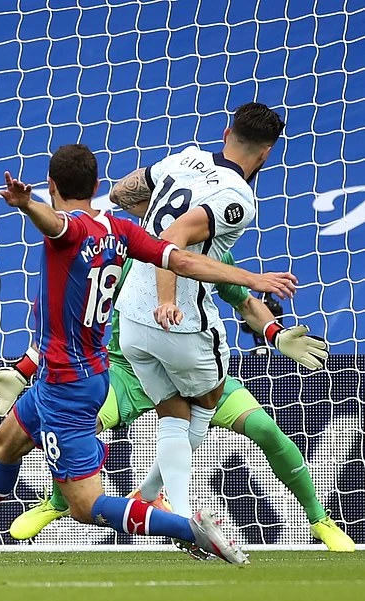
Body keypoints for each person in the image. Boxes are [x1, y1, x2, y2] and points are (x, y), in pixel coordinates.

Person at [0, 144, 297, 565]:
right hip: (79, 372)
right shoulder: (121, 231)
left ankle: (192, 530)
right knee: (5, 442)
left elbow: (55, 223)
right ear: (96, 185)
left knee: (85, 505)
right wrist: (251, 278)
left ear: (51, 185)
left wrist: (27, 205)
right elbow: (182, 261)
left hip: (66, 385)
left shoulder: (70, 230)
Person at [0, 255, 353, 553]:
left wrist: (276, 333)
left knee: (264, 428)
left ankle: (319, 519)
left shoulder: (212, 252)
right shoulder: (127, 254)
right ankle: (58, 502)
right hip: (130, 372)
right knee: (80, 424)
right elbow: (74, 319)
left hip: (194, 373)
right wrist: (24, 369)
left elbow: (245, 303)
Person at [113, 103, 287, 520]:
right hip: (178, 324)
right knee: (207, 401)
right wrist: (168, 299)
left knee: (173, 412)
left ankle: (164, 505)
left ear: (226, 133)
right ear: (266, 153)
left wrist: (154, 224)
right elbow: (174, 238)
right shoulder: (238, 198)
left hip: (131, 320)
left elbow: (121, 192)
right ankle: (163, 501)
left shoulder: (184, 158)